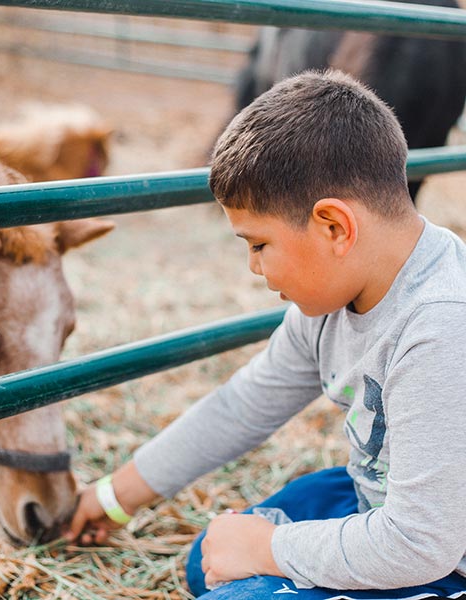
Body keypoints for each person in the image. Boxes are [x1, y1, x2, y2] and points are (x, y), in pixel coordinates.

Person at [63, 70, 466, 599]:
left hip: (440, 555)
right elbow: (243, 404)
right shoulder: (329, 301)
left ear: (334, 227)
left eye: (257, 245)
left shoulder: (440, 325)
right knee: (206, 562)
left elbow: (419, 542)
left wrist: (265, 549)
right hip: (386, 504)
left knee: (235, 586)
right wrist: (114, 497)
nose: (254, 268)